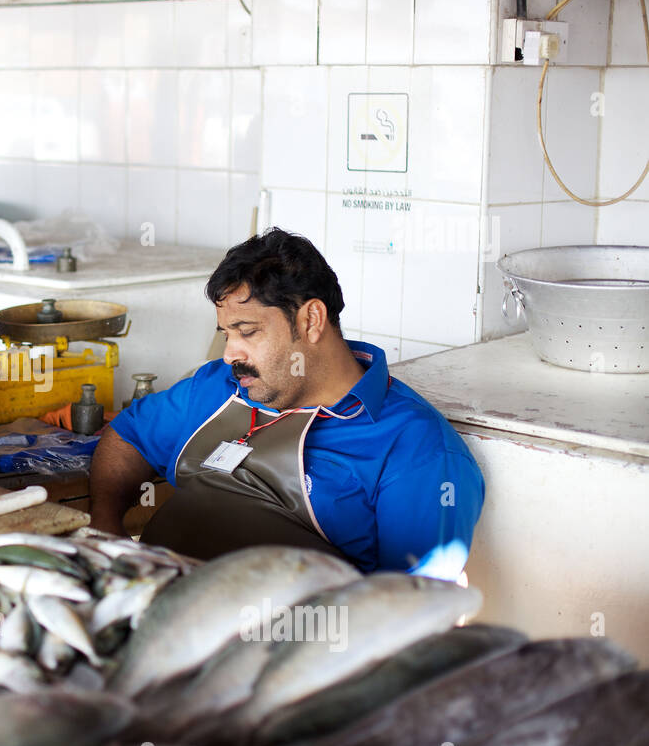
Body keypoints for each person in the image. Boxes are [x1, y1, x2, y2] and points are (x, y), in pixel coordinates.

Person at [89, 228, 485, 574]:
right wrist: (106, 530)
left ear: (311, 320)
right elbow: (129, 435)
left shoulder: (415, 447)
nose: (229, 354)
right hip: (154, 611)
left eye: (246, 331)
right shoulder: (217, 387)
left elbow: (409, 607)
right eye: (226, 333)